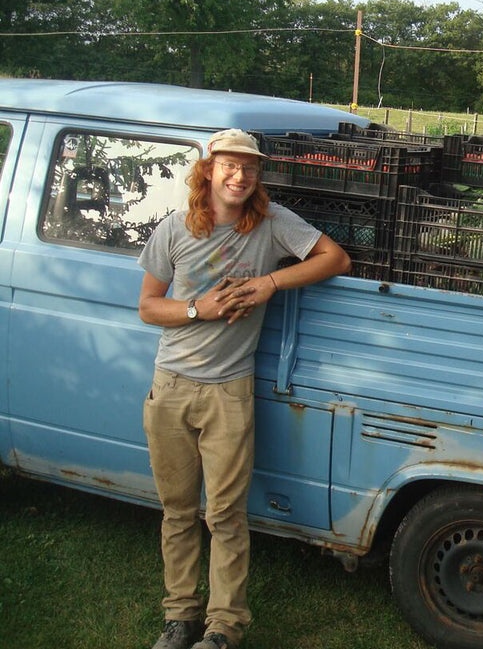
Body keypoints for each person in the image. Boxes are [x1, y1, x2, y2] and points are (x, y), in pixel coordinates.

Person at [138, 129, 351, 649]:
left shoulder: (273, 223)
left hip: (229, 392)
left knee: (227, 515)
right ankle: (180, 616)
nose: (240, 176)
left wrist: (270, 283)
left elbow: (335, 259)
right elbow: (148, 306)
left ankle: (223, 627)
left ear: (258, 175)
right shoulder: (175, 228)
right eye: (230, 166)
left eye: (250, 168)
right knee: (178, 512)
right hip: (170, 388)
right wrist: (198, 309)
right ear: (209, 170)